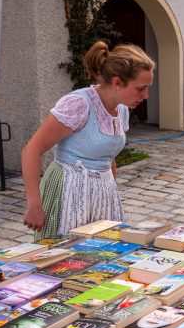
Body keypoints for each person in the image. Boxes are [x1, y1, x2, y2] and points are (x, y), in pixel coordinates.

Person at [22, 41, 154, 239]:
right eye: (140, 88)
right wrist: (34, 204)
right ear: (117, 83)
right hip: (68, 190)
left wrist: (110, 190)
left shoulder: (122, 109)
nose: (146, 95)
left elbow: (108, 155)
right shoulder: (79, 104)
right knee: (63, 257)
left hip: (102, 194)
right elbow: (31, 150)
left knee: (103, 255)